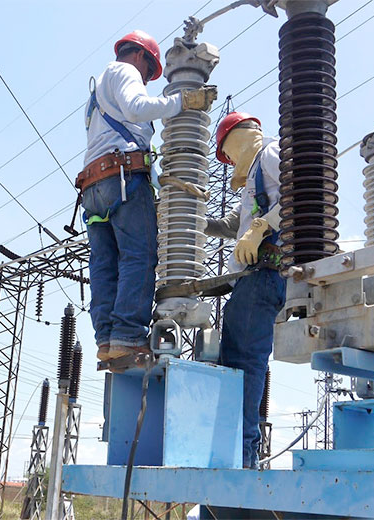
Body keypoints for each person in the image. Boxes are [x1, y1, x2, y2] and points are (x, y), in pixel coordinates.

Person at [79, 29, 217, 362]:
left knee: (104, 266)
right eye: (149, 72)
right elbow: (138, 107)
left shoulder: (96, 95)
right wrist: (182, 101)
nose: (146, 79)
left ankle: (108, 340)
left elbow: (122, 131)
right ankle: (127, 336)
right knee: (138, 257)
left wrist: (160, 180)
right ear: (141, 56)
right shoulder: (124, 71)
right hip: (123, 179)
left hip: (94, 186)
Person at [204, 112, 286, 471]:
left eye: (228, 154)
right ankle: (238, 450)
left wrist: (262, 227)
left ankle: (242, 456)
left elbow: (303, 193)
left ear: (236, 138)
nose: (230, 162)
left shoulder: (269, 154)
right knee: (236, 360)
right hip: (253, 279)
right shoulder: (255, 178)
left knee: (243, 363)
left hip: (264, 273)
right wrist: (194, 219)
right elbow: (233, 225)